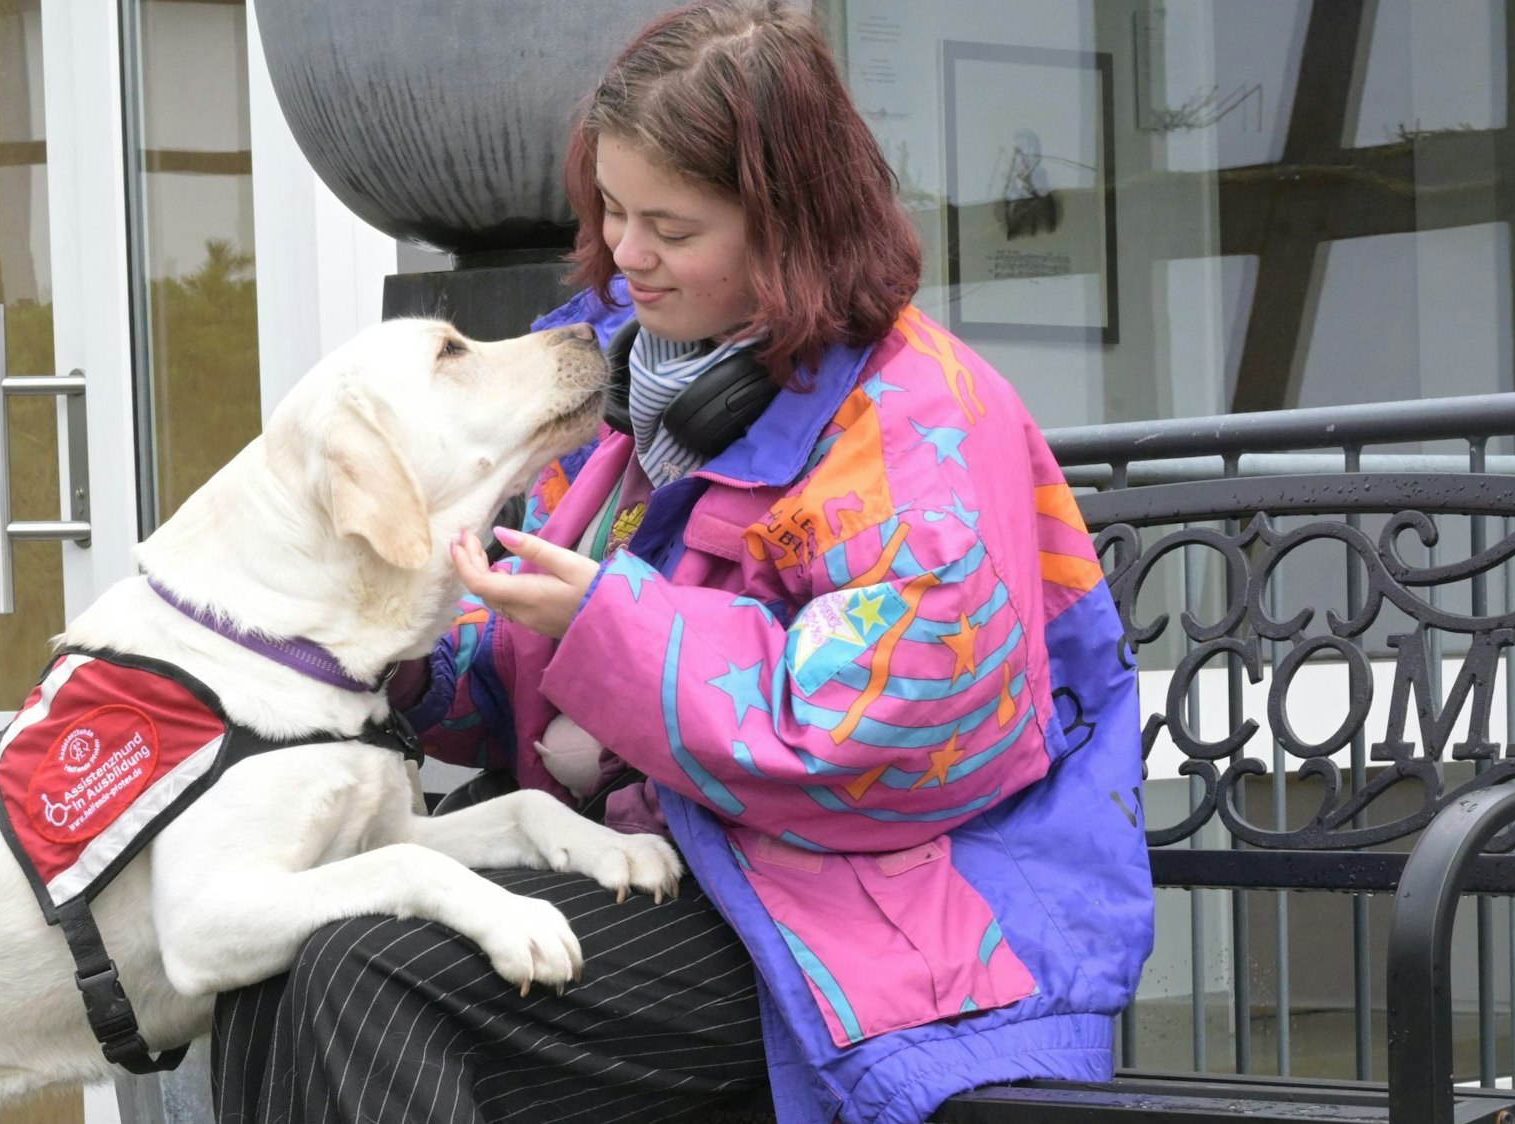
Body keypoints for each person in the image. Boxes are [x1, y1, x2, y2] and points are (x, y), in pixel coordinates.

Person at [210, 2, 1153, 1121]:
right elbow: (509, 675)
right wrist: (384, 648)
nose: (626, 253)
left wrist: (603, 625)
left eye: (670, 225)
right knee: (285, 951)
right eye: (611, 208)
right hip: (669, 869)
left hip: (876, 923)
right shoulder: (630, 374)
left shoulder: (919, 428)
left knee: (372, 972)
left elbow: (874, 742)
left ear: (791, 231)